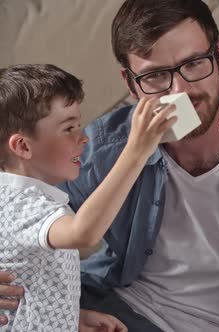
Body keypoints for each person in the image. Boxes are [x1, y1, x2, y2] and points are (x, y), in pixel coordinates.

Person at [0, 0, 219, 331]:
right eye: (155, 76)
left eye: (195, 63)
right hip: (123, 312)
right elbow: (17, 209)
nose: (180, 90)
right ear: (130, 83)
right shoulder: (103, 148)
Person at [0, 64, 176, 331]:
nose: (83, 139)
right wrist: (137, 151)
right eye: (69, 128)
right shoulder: (23, 204)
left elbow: (32, 284)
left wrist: (72, 317)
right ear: (23, 146)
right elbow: (84, 233)